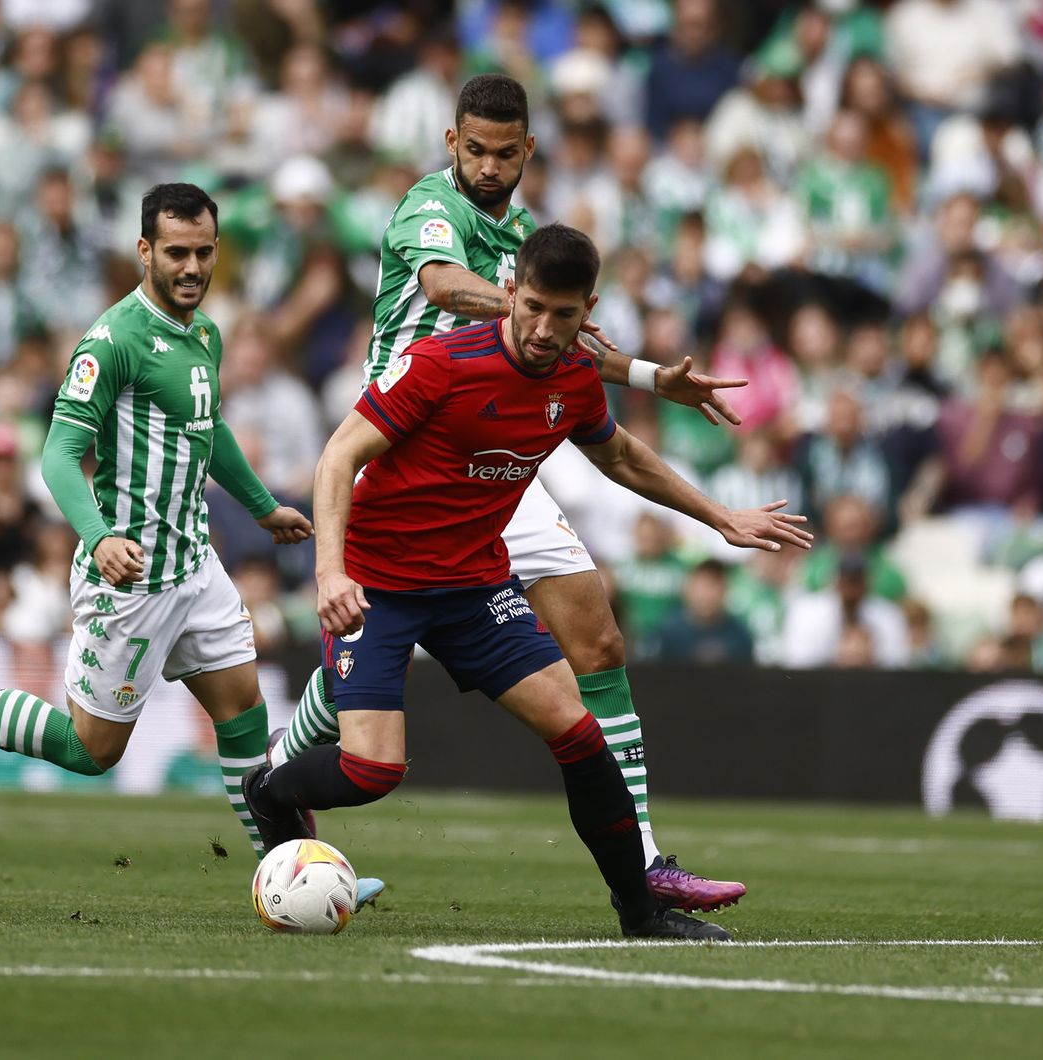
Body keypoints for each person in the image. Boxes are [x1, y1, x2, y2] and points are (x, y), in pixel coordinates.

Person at [270, 73, 754, 913]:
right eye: (476, 151)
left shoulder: (527, 237)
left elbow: (562, 342)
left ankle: (642, 867)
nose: (490, 169)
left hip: (499, 444)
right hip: (413, 444)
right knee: (372, 719)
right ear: (451, 144)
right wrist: (526, 311)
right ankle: (285, 771)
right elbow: (446, 287)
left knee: (596, 642)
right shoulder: (432, 208)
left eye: (506, 154)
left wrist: (643, 375)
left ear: (528, 151)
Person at [243, 224, 810, 941]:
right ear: (509, 293)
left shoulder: (573, 377)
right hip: (380, 582)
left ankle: (640, 914)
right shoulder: (439, 364)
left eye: (563, 315)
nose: (544, 329)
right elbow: (337, 456)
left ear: (588, 310)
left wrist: (718, 516)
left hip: (475, 586)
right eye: (533, 307)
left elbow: (624, 458)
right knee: (371, 770)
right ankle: (268, 790)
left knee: (581, 735)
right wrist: (329, 572)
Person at [0, 183, 338, 873]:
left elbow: (208, 424)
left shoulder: (206, 332)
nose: (191, 268)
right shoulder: (111, 342)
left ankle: (293, 873)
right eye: (176, 254)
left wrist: (260, 505)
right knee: (90, 750)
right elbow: (57, 454)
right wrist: (100, 536)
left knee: (244, 721)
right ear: (144, 251)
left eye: (203, 253)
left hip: (194, 564)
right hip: (128, 577)